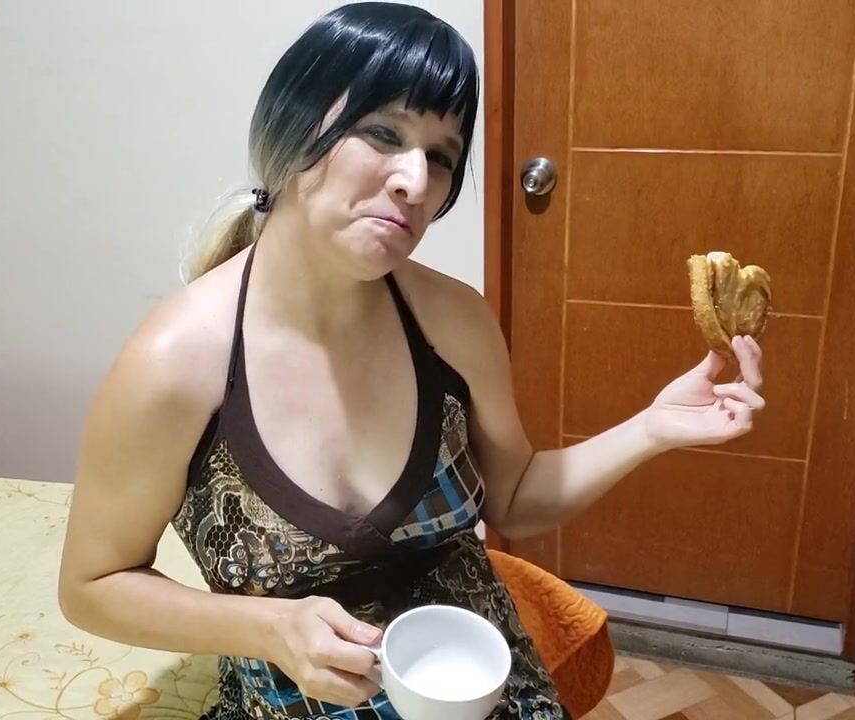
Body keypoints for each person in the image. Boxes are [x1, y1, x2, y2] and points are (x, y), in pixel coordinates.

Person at [57, 3, 765, 719]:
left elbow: (516, 496)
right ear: (290, 127)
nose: (416, 183)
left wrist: (652, 427)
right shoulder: (176, 363)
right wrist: (267, 628)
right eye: (384, 134)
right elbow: (92, 585)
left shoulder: (452, 321)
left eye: (442, 157)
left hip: (488, 694)